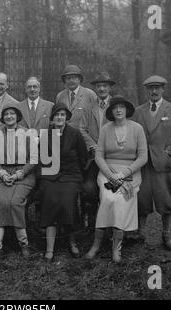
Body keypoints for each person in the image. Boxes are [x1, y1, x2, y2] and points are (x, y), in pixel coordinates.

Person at [85, 96, 148, 263]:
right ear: (111, 112)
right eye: (115, 108)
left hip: (130, 174)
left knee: (121, 202)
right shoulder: (106, 129)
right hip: (107, 173)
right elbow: (99, 156)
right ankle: (96, 244)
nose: (118, 110)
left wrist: (125, 172)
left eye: (122, 107)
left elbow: (142, 158)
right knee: (107, 198)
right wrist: (110, 175)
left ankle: (116, 247)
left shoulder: (137, 129)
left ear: (127, 110)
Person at [131, 75, 171, 250]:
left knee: (166, 199)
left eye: (157, 88)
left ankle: (166, 234)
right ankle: (140, 232)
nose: (154, 91)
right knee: (142, 198)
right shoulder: (138, 111)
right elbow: (133, 135)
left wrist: (167, 153)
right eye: (150, 88)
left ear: (163, 89)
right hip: (143, 164)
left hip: (163, 165)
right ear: (146, 90)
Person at [38, 103, 88, 262]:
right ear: (52, 118)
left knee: (68, 198)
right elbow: (40, 159)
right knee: (50, 196)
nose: (60, 117)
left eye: (63, 115)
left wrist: (76, 175)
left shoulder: (75, 134)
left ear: (66, 117)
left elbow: (83, 157)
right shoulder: (46, 135)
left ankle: (71, 239)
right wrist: (44, 176)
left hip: (70, 176)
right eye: (57, 115)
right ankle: (50, 246)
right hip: (50, 175)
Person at [0, 105, 37, 262]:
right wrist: (1, 173)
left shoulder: (27, 133)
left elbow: (34, 159)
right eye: (6, 114)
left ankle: (24, 244)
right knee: (1, 202)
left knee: (15, 202)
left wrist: (19, 174)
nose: (9, 116)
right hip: (1, 174)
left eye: (12, 114)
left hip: (23, 175)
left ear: (17, 116)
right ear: (3, 118)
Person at [79, 71, 116, 231]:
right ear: (95, 88)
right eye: (99, 86)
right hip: (93, 157)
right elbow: (82, 129)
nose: (101, 89)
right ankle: (92, 219)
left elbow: (124, 128)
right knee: (89, 188)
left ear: (109, 88)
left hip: (112, 156)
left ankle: (113, 223)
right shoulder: (89, 107)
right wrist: (93, 146)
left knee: (112, 188)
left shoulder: (117, 106)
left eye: (105, 86)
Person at [55, 65, 96, 129]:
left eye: (74, 78)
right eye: (68, 78)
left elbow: (95, 117)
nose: (71, 80)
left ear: (79, 79)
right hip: (65, 135)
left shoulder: (89, 94)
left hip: (83, 135)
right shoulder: (60, 96)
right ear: (64, 80)